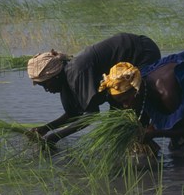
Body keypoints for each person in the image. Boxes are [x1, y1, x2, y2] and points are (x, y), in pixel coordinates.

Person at [26, 33, 161, 146]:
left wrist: (56, 137)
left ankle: (149, 145)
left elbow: (92, 115)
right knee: (117, 124)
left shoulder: (76, 72)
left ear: (55, 76)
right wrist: (45, 129)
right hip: (116, 77)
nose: (46, 90)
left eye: (45, 85)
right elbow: (73, 114)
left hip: (141, 53)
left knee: (136, 108)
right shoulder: (66, 82)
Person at [98, 49, 184, 154]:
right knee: (177, 141)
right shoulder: (140, 82)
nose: (125, 105)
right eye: (121, 102)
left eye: (126, 100)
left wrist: (156, 133)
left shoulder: (166, 93)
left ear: (136, 90)